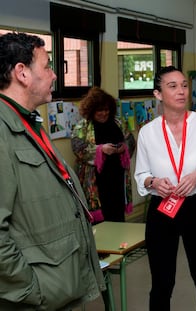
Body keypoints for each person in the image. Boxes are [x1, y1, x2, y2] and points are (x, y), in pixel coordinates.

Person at [0, 32, 105, 310]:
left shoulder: (29, 124)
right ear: (22, 73)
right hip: (37, 296)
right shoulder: (2, 130)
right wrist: (32, 289)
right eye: (47, 66)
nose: (54, 75)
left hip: (59, 288)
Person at [134, 66, 196, 310]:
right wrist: (153, 182)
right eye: (172, 86)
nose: (181, 91)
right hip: (162, 209)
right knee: (162, 281)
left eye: (184, 85)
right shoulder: (148, 132)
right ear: (158, 94)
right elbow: (141, 174)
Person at [71, 86, 136, 223]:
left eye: (106, 110)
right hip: (95, 180)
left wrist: (122, 148)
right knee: (99, 218)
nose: (104, 113)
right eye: (99, 110)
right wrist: (100, 149)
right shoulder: (82, 126)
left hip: (116, 178)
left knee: (117, 215)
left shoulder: (118, 122)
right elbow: (78, 148)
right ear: (92, 110)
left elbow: (130, 141)